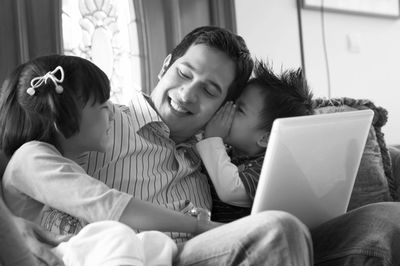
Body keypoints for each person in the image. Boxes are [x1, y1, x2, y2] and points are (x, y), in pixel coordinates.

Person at [27, 26, 313, 265]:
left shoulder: (217, 155)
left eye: (209, 90)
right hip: (129, 255)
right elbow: (25, 158)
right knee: (278, 230)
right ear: (165, 66)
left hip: (207, 254)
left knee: (356, 229)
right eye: (185, 74)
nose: (187, 94)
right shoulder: (103, 120)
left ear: (224, 106)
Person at [0, 54, 212, 265]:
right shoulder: (31, 157)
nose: (112, 112)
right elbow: (108, 205)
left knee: (154, 244)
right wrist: (198, 225)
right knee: (119, 237)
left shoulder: (70, 162)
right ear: (62, 118)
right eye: (102, 106)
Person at [196, 61, 313, 223]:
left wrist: (211, 140)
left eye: (240, 109)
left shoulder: (271, 167)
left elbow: (230, 190)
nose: (228, 108)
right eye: (233, 102)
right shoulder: (227, 153)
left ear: (265, 138)